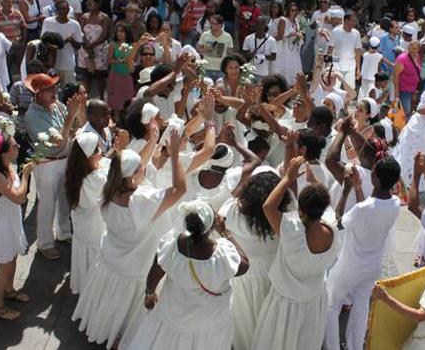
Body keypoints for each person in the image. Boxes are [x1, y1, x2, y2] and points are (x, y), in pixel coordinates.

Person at [72, 137, 186, 349]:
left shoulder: (108, 190)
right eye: (141, 168)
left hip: (110, 263)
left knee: (109, 306)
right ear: (131, 177)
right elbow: (180, 190)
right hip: (136, 269)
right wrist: (176, 154)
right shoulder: (142, 201)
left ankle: (108, 330)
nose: (145, 169)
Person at [127, 198, 249, 349]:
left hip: (173, 316)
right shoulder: (223, 254)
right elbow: (244, 265)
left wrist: (149, 294)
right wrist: (224, 232)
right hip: (209, 324)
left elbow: (155, 273)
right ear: (211, 227)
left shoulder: (172, 244)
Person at [251, 156, 336, 350]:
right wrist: (314, 182)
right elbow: (326, 204)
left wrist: (288, 178)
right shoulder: (332, 229)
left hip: (285, 304)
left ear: (301, 211)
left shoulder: (291, 231)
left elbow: (268, 207)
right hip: (313, 302)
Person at [325, 156, 401, 350]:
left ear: (374, 179)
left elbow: (340, 221)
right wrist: (358, 188)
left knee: (331, 306)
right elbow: (368, 209)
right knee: (361, 308)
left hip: (349, 266)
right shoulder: (395, 203)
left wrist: (346, 189)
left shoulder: (362, 209)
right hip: (372, 266)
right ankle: (355, 347)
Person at [218, 167, 290, 350]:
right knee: (270, 326)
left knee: (244, 325)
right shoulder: (284, 216)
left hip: (243, 274)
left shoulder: (231, 211)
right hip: (274, 275)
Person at [24, 73, 86, 260]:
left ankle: (64, 233)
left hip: (64, 159)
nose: (54, 92)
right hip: (47, 163)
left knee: (64, 198)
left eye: (54, 87)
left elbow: (77, 126)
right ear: (37, 94)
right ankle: (45, 243)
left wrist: (79, 110)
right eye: (49, 89)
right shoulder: (32, 115)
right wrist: (70, 117)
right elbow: (56, 143)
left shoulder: (57, 106)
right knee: (47, 204)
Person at [0, 132, 34, 320]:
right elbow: (19, 197)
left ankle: (9, 290)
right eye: (14, 146)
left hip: (11, 219)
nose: (18, 147)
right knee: (5, 264)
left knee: (13, 257)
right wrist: (26, 176)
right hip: (0, 225)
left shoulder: (7, 167)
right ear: (3, 153)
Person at [64, 132, 107, 295]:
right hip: (94, 232)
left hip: (83, 231)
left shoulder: (76, 175)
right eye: (97, 149)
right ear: (89, 157)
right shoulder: (96, 179)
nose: (101, 150)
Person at [40, 0, 83, 85]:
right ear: (56, 10)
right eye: (61, 9)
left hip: (68, 64)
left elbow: (78, 45)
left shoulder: (75, 24)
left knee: (68, 90)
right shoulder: (48, 22)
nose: (63, 11)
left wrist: (71, 41)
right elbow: (43, 41)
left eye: (66, 9)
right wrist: (59, 43)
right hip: (51, 64)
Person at [78, 0, 112, 100]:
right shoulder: (84, 17)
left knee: (100, 76)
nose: (88, 5)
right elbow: (81, 33)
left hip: (100, 49)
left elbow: (105, 35)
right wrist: (87, 46)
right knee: (85, 74)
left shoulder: (104, 17)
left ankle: (101, 98)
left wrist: (92, 45)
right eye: (87, 3)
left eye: (91, 3)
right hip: (86, 49)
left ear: (98, 4)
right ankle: (84, 98)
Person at [328, 13, 362, 91]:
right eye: (353, 21)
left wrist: (358, 69)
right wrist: (328, 66)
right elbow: (330, 49)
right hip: (336, 66)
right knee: (334, 89)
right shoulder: (336, 32)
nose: (354, 23)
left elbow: (358, 52)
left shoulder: (356, 34)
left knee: (350, 90)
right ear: (346, 21)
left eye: (355, 21)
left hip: (350, 66)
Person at [272, 2, 303, 86]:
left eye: (296, 10)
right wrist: (292, 35)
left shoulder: (296, 21)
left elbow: (298, 31)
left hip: (294, 48)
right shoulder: (283, 20)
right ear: (288, 11)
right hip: (285, 47)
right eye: (292, 10)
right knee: (285, 67)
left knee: (294, 67)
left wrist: (299, 36)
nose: (294, 12)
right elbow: (280, 36)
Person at [106, 23, 135, 114]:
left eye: (122, 31)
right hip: (115, 75)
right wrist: (118, 60)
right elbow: (109, 60)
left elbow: (134, 59)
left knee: (127, 100)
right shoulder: (113, 45)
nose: (119, 33)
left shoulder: (132, 45)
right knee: (115, 101)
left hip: (127, 75)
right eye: (117, 31)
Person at [197, 14, 233, 80]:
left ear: (220, 25)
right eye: (211, 23)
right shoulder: (205, 35)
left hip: (221, 70)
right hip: (206, 68)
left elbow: (230, 53)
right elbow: (198, 49)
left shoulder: (227, 36)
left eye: (214, 23)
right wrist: (205, 50)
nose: (211, 25)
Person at [392, 40, 421, 115]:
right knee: (404, 112)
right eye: (411, 47)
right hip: (404, 90)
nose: (412, 50)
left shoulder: (417, 57)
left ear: (418, 49)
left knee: (410, 112)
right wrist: (396, 92)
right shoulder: (402, 59)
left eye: (415, 48)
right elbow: (395, 75)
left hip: (413, 89)